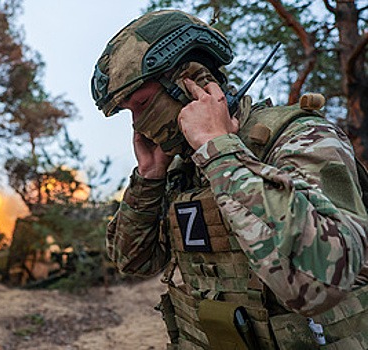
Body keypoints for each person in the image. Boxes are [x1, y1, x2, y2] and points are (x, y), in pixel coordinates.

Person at [91, 9, 368, 349]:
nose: (138, 125)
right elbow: (132, 261)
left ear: (190, 84)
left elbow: (321, 280)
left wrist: (217, 149)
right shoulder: (181, 169)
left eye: (143, 104)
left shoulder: (300, 137)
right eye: (128, 113)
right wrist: (149, 178)